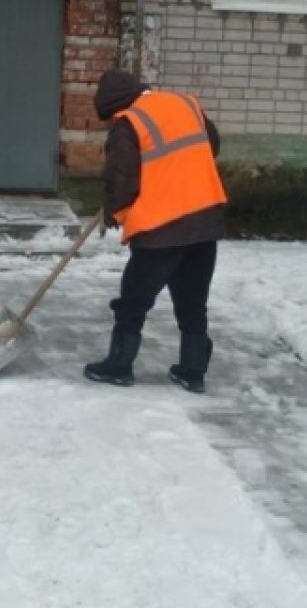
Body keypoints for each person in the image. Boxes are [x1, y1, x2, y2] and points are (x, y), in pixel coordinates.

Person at [84, 68, 227, 393]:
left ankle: (119, 366)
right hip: (205, 221)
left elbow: (121, 178)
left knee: (134, 299)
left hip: (161, 228)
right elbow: (211, 146)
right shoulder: (186, 104)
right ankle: (192, 372)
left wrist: (114, 211)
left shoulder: (128, 123)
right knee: (193, 301)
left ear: (114, 104)